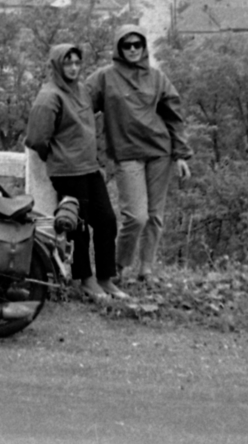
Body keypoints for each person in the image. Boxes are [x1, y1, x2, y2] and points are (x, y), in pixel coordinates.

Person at [84, 25, 190, 285]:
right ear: (118, 48)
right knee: (136, 216)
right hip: (126, 153)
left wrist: (181, 154)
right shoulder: (104, 78)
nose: (132, 49)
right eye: (127, 44)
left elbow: (174, 116)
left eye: (137, 44)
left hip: (159, 152)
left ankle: (146, 269)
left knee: (154, 216)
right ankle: (117, 267)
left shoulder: (156, 78)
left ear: (144, 47)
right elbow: (80, 104)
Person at [24, 43, 126, 302]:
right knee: (78, 226)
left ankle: (105, 278)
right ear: (57, 65)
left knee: (106, 221)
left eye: (76, 62)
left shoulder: (82, 91)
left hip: (90, 167)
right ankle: (86, 281)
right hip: (67, 172)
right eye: (67, 62)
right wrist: (57, 156)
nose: (72, 67)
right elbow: (36, 138)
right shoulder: (49, 96)